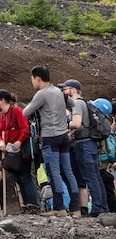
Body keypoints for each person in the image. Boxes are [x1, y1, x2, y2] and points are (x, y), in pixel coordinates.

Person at [22, 65, 80, 217]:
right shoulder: (58, 92)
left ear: (38, 78)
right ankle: (76, 208)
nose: (32, 82)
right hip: (63, 136)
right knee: (68, 171)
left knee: (53, 171)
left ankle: (59, 208)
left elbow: (25, 112)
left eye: (32, 79)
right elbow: (72, 104)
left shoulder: (42, 94)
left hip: (49, 137)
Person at [60, 79, 108, 216]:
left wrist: (61, 127)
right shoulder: (85, 103)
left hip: (83, 144)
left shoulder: (76, 104)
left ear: (73, 90)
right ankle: (102, 206)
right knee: (96, 176)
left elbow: (76, 123)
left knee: (89, 177)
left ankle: (98, 209)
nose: (64, 92)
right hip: (91, 144)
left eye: (65, 89)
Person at [0, 89, 40, 213]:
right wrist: (0, 141)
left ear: (3, 100)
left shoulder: (16, 111)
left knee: (25, 177)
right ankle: (26, 206)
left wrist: (19, 141)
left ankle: (33, 205)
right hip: (11, 153)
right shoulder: (1, 116)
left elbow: (25, 129)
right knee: (18, 178)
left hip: (21, 151)